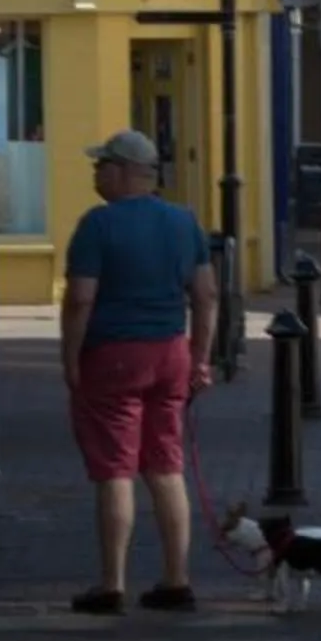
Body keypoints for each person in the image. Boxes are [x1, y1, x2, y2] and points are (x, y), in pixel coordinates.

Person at [62, 129, 217, 616]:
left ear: (125, 171)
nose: (94, 173)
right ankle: (177, 578)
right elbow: (206, 295)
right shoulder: (184, 222)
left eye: (101, 165)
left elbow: (81, 298)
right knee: (166, 465)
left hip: (112, 355)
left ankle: (111, 583)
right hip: (170, 352)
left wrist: (69, 357)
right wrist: (201, 356)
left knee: (115, 470)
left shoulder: (97, 226)